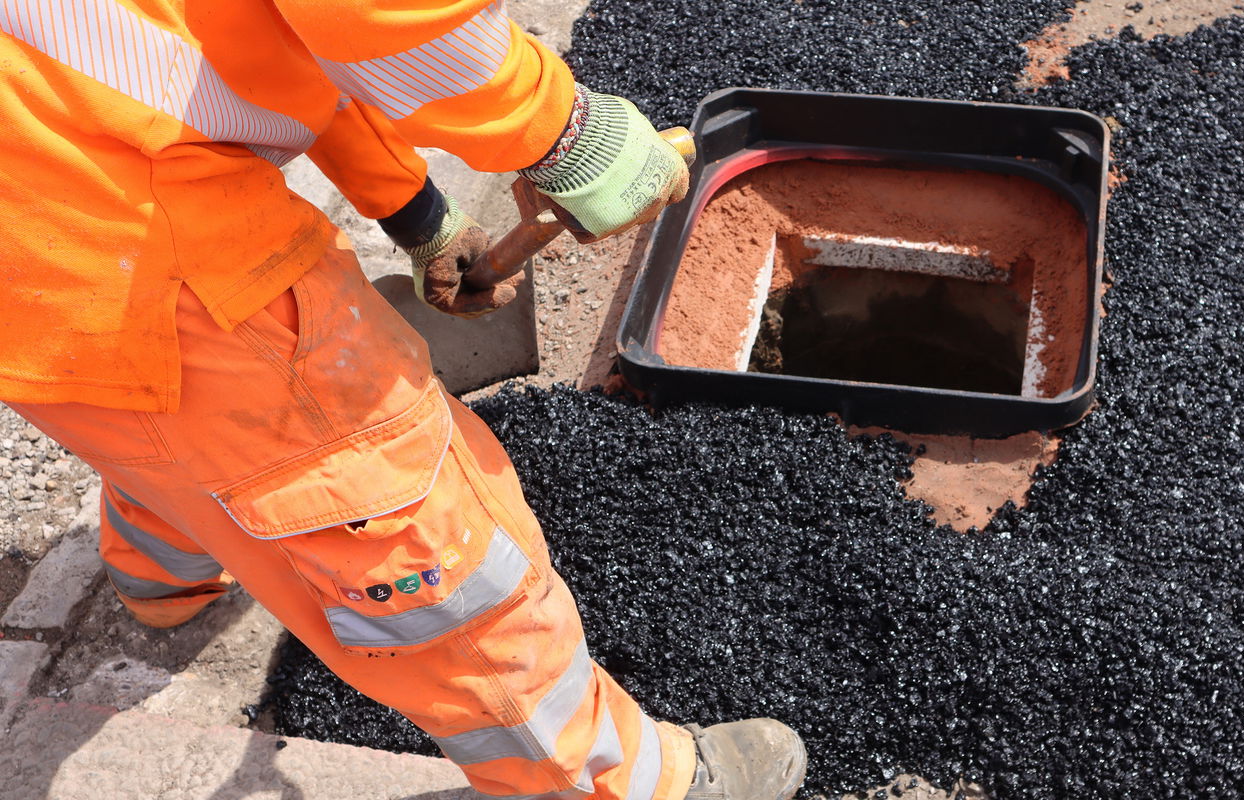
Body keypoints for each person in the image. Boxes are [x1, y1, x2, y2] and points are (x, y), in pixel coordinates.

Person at [0, 2, 807, 799]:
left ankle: (163, 581)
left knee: (156, 421)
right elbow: (389, 16)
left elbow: (265, 35)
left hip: (42, 229)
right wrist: (565, 129)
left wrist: (416, 210)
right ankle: (613, 781)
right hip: (135, 244)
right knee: (425, 545)